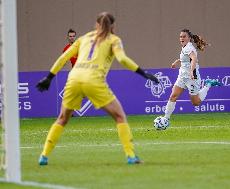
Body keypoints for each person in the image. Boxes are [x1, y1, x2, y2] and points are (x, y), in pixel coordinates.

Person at [36, 12, 159, 165]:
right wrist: (143, 72)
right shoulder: (114, 40)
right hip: (93, 80)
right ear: (113, 26)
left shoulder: (83, 38)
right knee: (120, 117)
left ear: (96, 24)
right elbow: (122, 59)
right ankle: (131, 156)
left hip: (74, 79)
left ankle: (44, 156)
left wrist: (49, 77)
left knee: (62, 118)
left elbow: (63, 58)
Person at [163, 29, 222, 121]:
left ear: (189, 38)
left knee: (196, 103)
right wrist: (176, 62)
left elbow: (194, 59)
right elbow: (185, 58)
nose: (181, 38)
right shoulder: (185, 47)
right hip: (182, 76)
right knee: (173, 96)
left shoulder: (189, 48)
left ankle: (208, 85)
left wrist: (191, 71)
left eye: (184, 36)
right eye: (180, 36)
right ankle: (166, 119)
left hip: (192, 78)